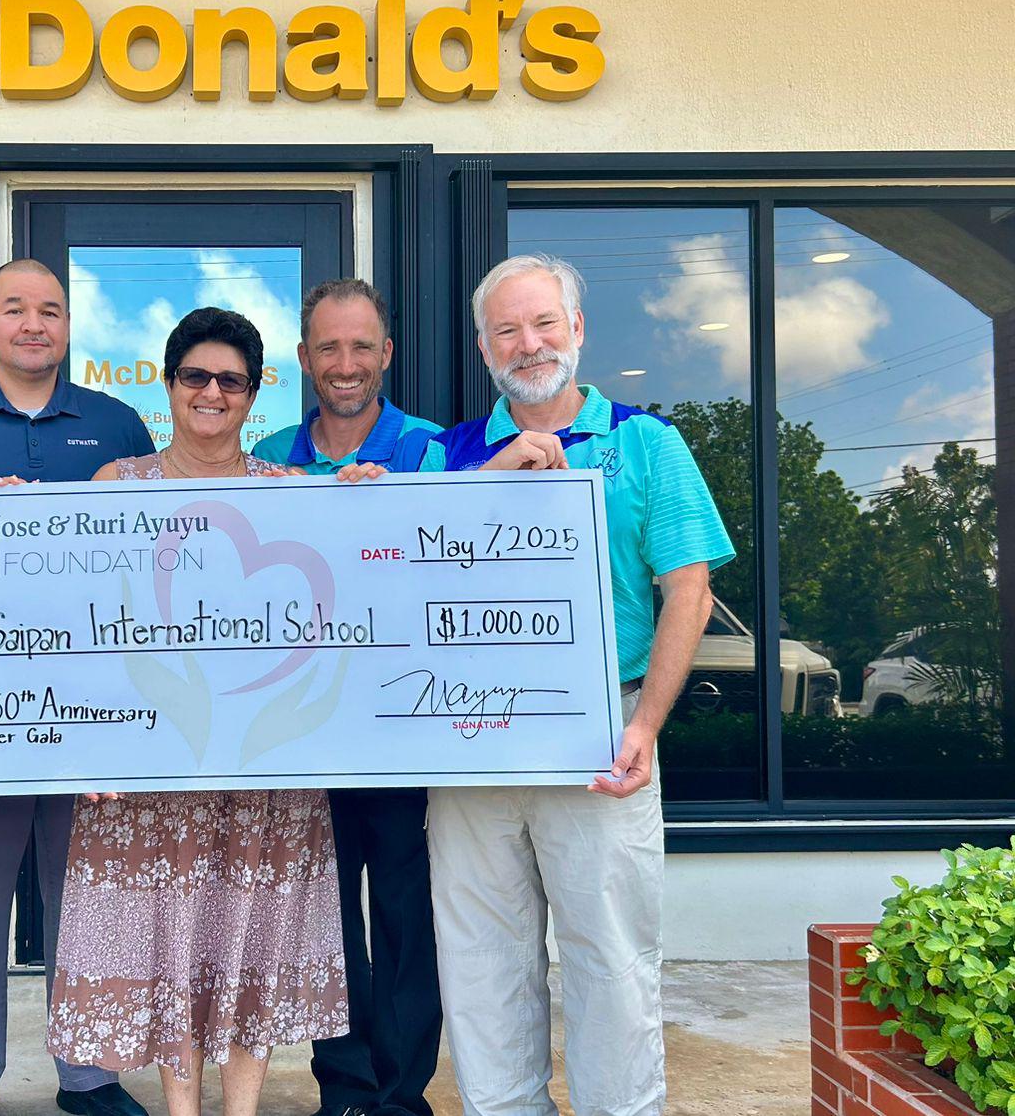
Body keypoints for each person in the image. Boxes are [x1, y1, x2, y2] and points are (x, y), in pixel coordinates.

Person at [403, 254, 733, 1116]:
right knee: (481, 961)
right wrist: (497, 475)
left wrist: (646, 726)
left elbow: (689, 593)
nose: (529, 343)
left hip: (604, 728)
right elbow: (409, 576)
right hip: (471, 738)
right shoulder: (445, 453)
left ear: (578, 329)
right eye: (507, 329)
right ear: (483, 347)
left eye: (545, 322)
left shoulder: (645, 443)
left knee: (610, 959)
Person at [46, 306, 383, 1116]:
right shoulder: (115, 486)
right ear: (168, 386)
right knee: (174, 947)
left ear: (253, 393)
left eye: (231, 380)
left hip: (266, 771)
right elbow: (75, 620)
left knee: (247, 941)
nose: (212, 392)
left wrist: (367, 508)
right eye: (196, 375)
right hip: (152, 775)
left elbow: (342, 617)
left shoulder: (294, 493)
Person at [0, 258, 155, 1116]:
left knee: (89, 896)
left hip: (96, 703)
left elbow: (155, 551)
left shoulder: (115, 423)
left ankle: (89, 1075)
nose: (35, 324)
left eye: (51, 311)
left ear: (69, 328)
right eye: (16, 309)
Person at [253, 278, 443, 1116]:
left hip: (405, 726)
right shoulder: (269, 455)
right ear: (303, 359)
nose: (345, 363)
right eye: (328, 347)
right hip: (303, 728)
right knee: (327, 921)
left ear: (387, 354)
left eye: (361, 345)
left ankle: (404, 1094)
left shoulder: (432, 451)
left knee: (406, 916)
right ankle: (346, 1086)